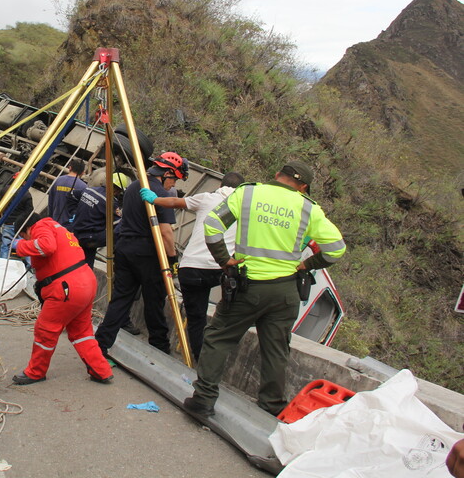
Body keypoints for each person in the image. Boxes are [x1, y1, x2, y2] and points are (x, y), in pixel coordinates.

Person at [185, 160, 346, 418]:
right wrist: (306, 265)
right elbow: (337, 249)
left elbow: (213, 225)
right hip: (284, 293)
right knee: (276, 349)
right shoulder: (309, 209)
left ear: (276, 174)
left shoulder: (248, 193)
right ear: (303, 187)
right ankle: (271, 406)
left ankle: (203, 399)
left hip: (246, 286)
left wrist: (223, 259)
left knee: (218, 339)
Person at [140, 171, 245, 361]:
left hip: (192, 267)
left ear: (221, 185)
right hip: (219, 269)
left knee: (196, 317)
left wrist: (154, 200)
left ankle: (197, 357)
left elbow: (174, 203)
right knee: (223, 312)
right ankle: (210, 357)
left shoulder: (207, 198)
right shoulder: (244, 209)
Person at [94, 152, 189, 356]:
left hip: (125, 248)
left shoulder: (134, 187)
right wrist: (172, 259)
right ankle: (160, 348)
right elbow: (166, 233)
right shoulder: (161, 196)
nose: (172, 185)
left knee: (120, 300)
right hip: (148, 253)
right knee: (154, 302)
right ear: (166, 173)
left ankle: (100, 344)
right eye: (173, 179)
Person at [10, 214, 114, 385]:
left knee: (45, 330)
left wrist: (21, 246)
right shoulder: (58, 228)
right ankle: (101, 370)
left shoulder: (40, 227)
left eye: (23, 235)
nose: (25, 239)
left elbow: (46, 247)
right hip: (85, 281)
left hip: (67, 288)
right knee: (82, 332)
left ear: (27, 228)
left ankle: (35, 372)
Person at [71, 172, 131, 266]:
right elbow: (119, 225)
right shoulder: (110, 203)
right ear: (117, 190)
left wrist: (74, 215)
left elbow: (72, 195)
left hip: (76, 233)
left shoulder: (90, 190)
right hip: (89, 240)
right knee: (85, 266)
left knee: (72, 261)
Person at [0, 173, 34, 262]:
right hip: (21, 226)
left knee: (5, 246)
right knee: (25, 246)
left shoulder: (5, 190)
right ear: (24, 181)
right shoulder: (26, 194)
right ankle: (31, 266)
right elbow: (29, 211)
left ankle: (1, 266)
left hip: (8, 223)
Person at [46, 159, 86, 231]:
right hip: (70, 226)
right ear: (83, 172)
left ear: (70, 168)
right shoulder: (83, 187)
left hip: (54, 222)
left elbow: (50, 202)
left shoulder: (58, 180)